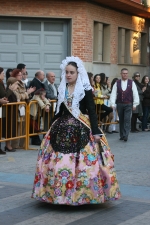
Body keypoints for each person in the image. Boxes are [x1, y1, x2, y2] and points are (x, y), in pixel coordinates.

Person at [31, 56, 121, 205]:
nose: (68, 75)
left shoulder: (85, 90)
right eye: (66, 72)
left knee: (85, 162)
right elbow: (59, 111)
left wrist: (96, 130)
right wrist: (52, 127)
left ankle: (84, 194)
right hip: (61, 126)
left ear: (78, 73)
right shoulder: (63, 88)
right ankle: (57, 194)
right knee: (56, 160)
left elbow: (92, 111)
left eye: (71, 72)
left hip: (81, 126)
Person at [8, 69, 35, 149]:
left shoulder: (22, 83)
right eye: (19, 75)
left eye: (21, 75)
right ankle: (15, 144)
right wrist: (27, 93)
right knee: (17, 127)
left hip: (24, 106)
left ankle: (23, 144)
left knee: (24, 126)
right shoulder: (13, 83)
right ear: (15, 76)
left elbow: (23, 95)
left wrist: (27, 94)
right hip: (18, 107)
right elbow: (18, 96)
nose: (21, 76)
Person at [110, 68, 139, 141]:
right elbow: (113, 94)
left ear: (128, 74)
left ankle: (126, 135)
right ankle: (122, 135)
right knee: (121, 120)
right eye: (123, 73)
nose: (125, 74)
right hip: (120, 104)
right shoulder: (117, 83)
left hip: (128, 104)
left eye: (126, 73)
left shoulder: (131, 82)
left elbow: (135, 94)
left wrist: (135, 104)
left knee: (127, 119)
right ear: (121, 74)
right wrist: (112, 103)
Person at [0, 67, 19, 153]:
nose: (4, 74)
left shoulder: (1, 83)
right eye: (2, 73)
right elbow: (5, 95)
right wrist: (11, 89)